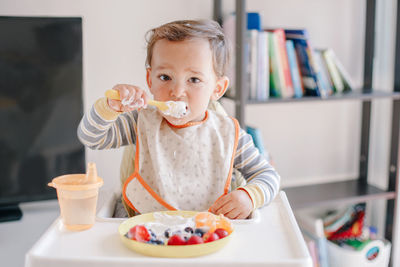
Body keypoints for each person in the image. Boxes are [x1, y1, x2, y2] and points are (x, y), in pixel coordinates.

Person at [77, 19, 280, 219]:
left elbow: (268, 176)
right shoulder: (140, 122)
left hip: (207, 232)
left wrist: (249, 197)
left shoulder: (229, 135)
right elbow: (91, 138)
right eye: (165, 77)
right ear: (150, 80)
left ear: (217, 89)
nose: (177, 92)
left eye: (194, 80)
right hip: (145, 227)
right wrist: (109, 108)